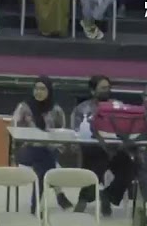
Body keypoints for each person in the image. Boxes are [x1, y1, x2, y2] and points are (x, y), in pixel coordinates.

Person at [69, 75, 133, 213]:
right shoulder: (82, 109)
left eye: (108, 88)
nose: (107, 90)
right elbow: (76, 132)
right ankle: (84, 199)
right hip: (93, 149)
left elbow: (127, 129)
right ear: (93, 91)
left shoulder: (118, 106)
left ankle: (108, 195)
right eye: (103, 88)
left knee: (130, 167)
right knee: (99, 162)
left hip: (116, 149)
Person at [12, 76, 67, 210]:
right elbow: (14, 131)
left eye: (42, 89)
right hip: (26, 151)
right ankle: (59, 193)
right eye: (36, 88)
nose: (38, 92)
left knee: (43, 163)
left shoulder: (56, 110)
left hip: (48, 152)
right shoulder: (23, 108)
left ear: (49, 91)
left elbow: (62, 134)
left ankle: (35, 206)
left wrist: (56, 146)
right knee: (46, 159)